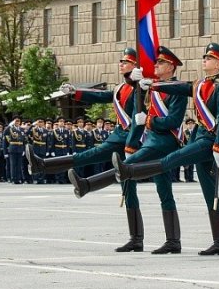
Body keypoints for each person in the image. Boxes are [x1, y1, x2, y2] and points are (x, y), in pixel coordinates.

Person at [113, 43, 219, 256]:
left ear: (218, 63)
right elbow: (178, 87)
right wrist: (153, 84)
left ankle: (130, 171)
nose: (204, 59)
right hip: (201, 137)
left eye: (209, 57)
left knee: (173, 159)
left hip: (210, 141)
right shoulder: (198, 85)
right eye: (204, 56)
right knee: (209, 193)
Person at [28, 49, 144, 249]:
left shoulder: (140, 88)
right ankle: (136, 239)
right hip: (119, 136)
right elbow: (102, 96)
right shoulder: (120, 89)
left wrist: (132, 144)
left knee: (94, 158)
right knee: (127, 186)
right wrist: (76, 91)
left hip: (129, 138)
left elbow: (138, 118)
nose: (121, 64)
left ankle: (44, 166)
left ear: (135, 66)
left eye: (126, 62)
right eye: (121, 61)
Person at [114, 46, 188, 254]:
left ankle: (88, 184)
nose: (155, 66)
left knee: (126, 168)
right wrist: (133, 79)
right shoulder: (153, 87)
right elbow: (134, 96)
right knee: (163, 190)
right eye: (155, 63)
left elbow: (173, 120)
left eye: (160, 63)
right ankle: (165, 241)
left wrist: (149, 120)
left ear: (171, 67)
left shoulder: (177, 89)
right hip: (152, 141)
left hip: (165, 142)